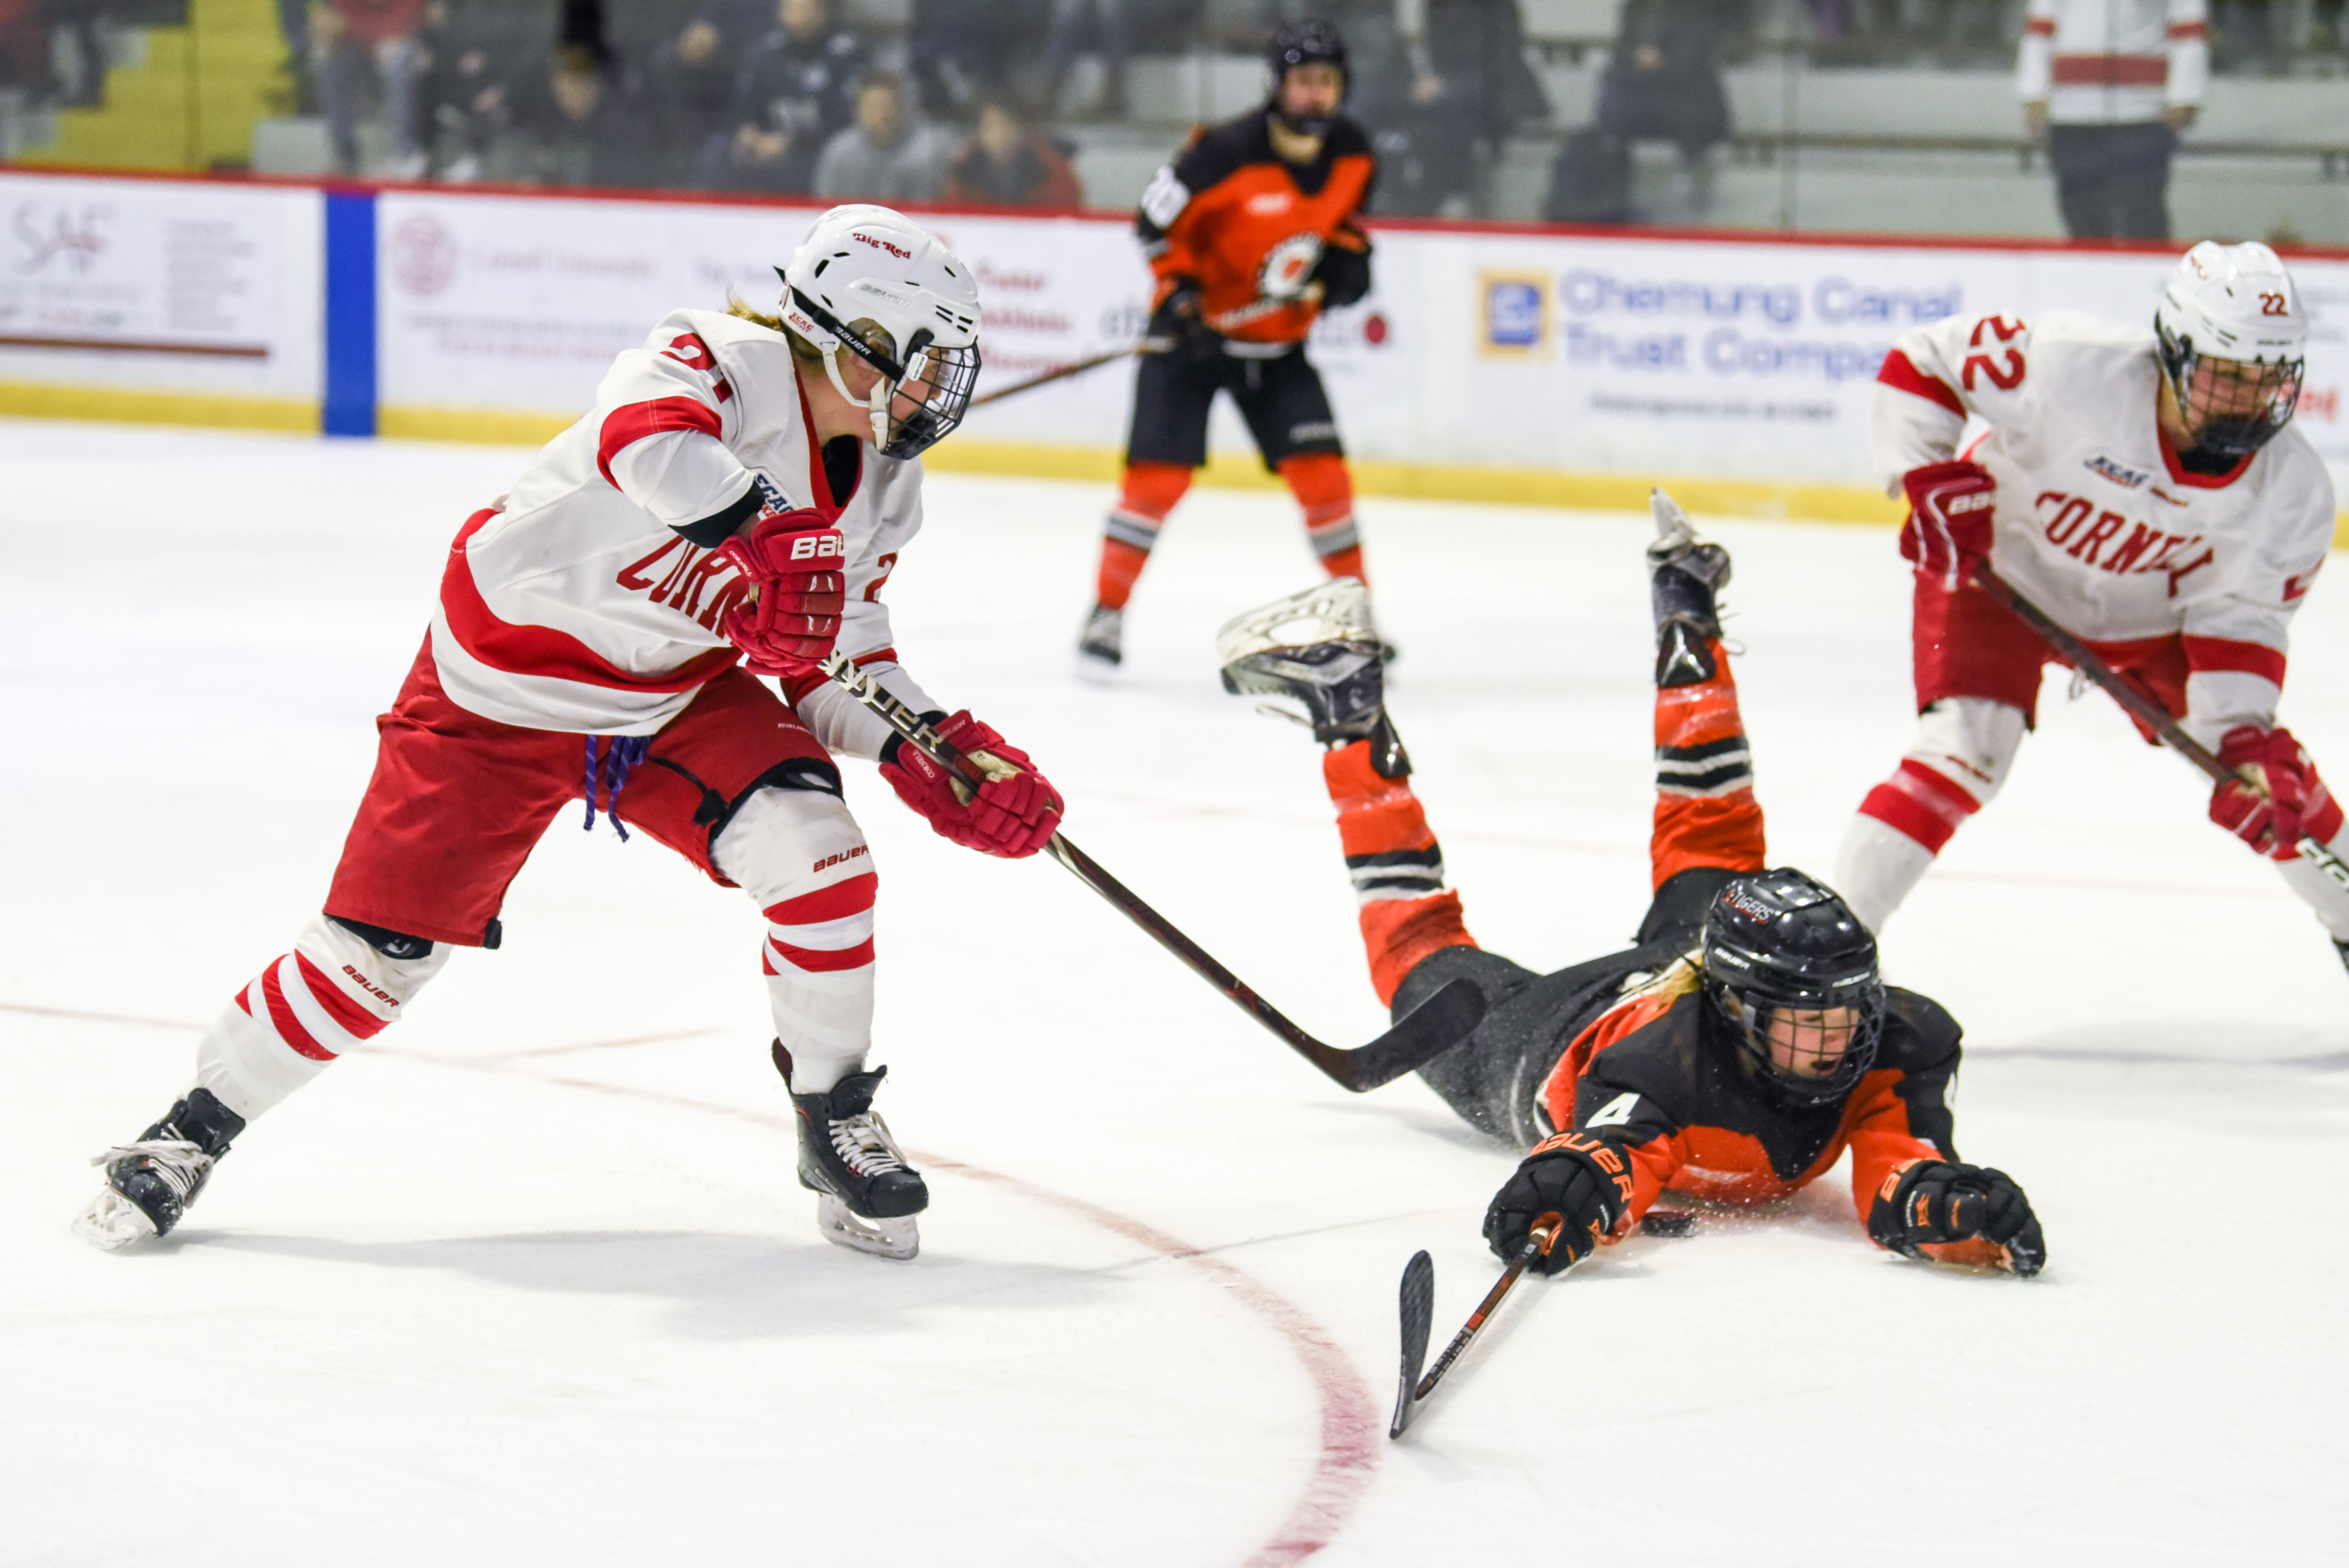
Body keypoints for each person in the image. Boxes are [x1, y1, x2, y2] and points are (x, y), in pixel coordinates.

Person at [71, 206, 1057, 1265]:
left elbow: (833, 659)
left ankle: (833, 1116)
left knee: (821, 853)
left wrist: (928, 744)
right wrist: (762, 531)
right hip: (498, 690)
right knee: (375, 962)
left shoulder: (884, 486)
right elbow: (647, 442)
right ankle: (189, 1129)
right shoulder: (721, 361)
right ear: (851, 339)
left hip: (668, 697)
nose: (933, 393)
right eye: (920, 363)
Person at [1214, 498, 2047, 1278]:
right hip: (1550, 1031)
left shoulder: (1898, 1037)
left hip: (1679, 961)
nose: (1834, 1041)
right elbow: (1619, 1152)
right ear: (1736, 1008)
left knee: (1712, 832)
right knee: (1414, 956)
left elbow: (1901, 1155)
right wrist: (1570, 1190)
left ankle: (1684, 608)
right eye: (1803, 1023)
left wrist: (1941, 1204)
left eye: (1843, 1012)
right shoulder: (1661, 1065)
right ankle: (1348, 720)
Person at [1834, 241, 2346, 978]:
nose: (2244, 397)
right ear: (2172, 349)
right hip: (1999, 570)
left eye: (2265, 378)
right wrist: (1925, 477)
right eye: (2225, 373)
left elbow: (2242, 623)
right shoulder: (2070, 365)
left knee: (2270, 784)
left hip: (2152, 618)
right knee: (1966, 747)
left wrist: (2239, 740)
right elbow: (1924, 359)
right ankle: (1825, 958)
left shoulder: (2293, 493)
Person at [1075, 18, 1380, 676]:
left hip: (1277, 349)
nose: (1314, 95)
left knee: (1325, 480)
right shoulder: (1220, 153)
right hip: (1192, 344)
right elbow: (1152, 224)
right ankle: (1105, 612)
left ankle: (1359, 620)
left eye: (1326, 82)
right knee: (1154, 485)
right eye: (1302, 81)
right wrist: (1182, 301)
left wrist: (1346, 265)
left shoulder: (1355, 153)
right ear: (1276, 85)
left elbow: (1340, 231)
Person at [2018, 0, 2205, 241]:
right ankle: (2091, 276)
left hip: (2143, 113)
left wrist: (2184, 94)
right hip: (2073, 112)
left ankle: (2148, 277)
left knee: (2143, 215)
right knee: (2081, 216)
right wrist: (2033, 91)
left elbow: (2188, 23)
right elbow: (2040, 23)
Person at [706, 0, 871, 194]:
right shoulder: (766, 53)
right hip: (767, 142)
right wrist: (749, 132)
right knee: (718, 152)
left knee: (802, 165)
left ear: (824, 12)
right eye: (793, 8)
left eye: (808, 8)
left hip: (817, 147)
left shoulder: (847, 54)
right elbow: (746, 105)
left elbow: (847, 118)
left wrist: (791, 143)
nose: (801, 16)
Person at [317, 0, 430, 176]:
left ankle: (405, 154)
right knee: (334, 69)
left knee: (397, 63)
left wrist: (390, 35)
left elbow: (410, 9)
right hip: (363, 41)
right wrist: (377, 35)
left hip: (406, 38)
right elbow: (343, 8)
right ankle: (346, 156)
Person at [812, 70, 956, 201]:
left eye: (887, 106)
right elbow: (824, 205)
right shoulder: (840, 153)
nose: (881, 116)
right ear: (857, 110)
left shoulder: (931, 150)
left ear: (903, 109)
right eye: (872, 107)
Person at [942, 96, 1084, 208]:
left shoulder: (1050, 167)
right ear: (979, 134)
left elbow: (1067, 211)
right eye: (991, 127)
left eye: (1007, 126)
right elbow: (954, 215)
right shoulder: (964, 169)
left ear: (1022, 130)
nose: (1000, 134)